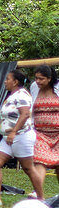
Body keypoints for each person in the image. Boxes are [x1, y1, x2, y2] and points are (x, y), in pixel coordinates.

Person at [0, 68, 44, 205]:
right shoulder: (12, 95)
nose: (5, 82)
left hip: (21, 136)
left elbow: (25, 114)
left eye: (7, 79)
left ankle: (41, 199)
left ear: (15, 82)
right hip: (7, 138)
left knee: (28, 168)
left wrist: (14, 132)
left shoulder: (22, 95)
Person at [30, 63, 59, 192]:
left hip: (58, 134)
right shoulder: (34, 88)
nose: (37, 81)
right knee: (39, 161)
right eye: (36, 78)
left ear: (50, 79)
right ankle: (38, 193)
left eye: (41, 79)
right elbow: (30, 110)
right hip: (41, 134)